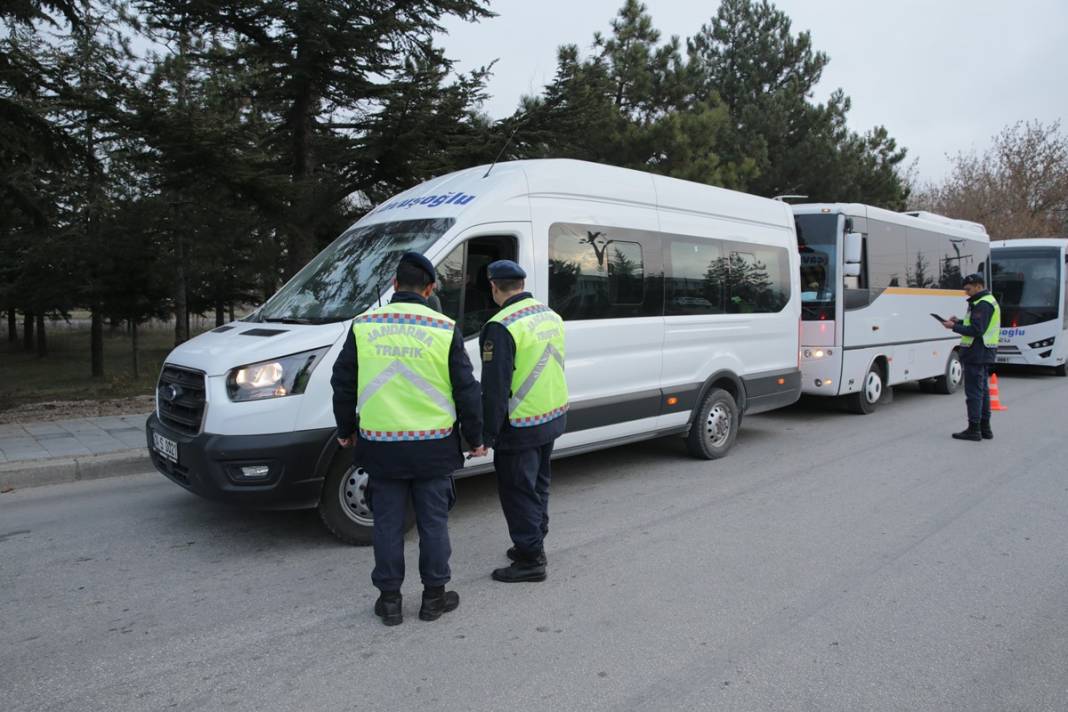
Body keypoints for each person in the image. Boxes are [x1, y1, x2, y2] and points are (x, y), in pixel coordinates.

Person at [331, 252, 486, 626]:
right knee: (433, 523)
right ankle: (434, 598)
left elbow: (343, 383)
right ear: (430, 288)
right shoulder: (445, 328)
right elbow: (466, 389)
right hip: (433, 447)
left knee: (387, 525)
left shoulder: (363, 325)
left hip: (381, 447)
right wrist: (475, 437)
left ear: (395, 286)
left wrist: (345, 430)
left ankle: (389, 602)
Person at [479, 260, 569, 583]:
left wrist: (486, 435)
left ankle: (530, 559)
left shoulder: (501, 325)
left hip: (520, 424)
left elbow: (494, 389)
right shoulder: (549, 315)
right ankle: (534, 541)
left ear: (494, 287)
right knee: (538, 484)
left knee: (518, 491)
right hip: (551, 415)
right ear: (521, 284)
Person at [941, 272, 1001, 441]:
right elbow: (975, 324)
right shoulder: (985, 302)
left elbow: (976, 330)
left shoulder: (982, 304)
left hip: (977, 353)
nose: (966, 293)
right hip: (982, 352)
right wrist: (959, 322)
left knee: (974, 392)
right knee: (983, 391)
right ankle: (985, 429)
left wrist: (953, 327)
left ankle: (974, 429)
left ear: (978, 286)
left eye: (968, 289)